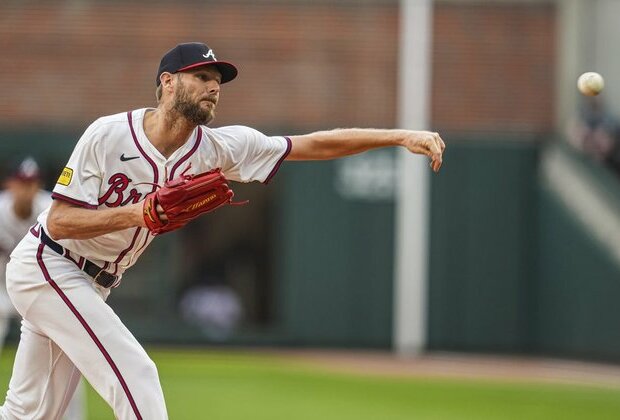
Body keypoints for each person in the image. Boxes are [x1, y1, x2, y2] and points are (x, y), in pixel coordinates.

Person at [0, 42, 445, 419]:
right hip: (49, 264)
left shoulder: (220, 149)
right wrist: (139, 213)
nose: (214, 86)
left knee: (28, 413)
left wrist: (397, 136)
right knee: (136, 376)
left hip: (93, 283)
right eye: (201, 76)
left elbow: (310, 144)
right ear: (168, 82)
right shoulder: (108, 134)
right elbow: (59, 221)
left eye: (218, 79)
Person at [0, 158, 85, 420]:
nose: (26, 189)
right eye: (22, 183)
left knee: (70, 347)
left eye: (32, 184)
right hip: (2, 291)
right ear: (10, 184)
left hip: (41, 289)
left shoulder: (50, 209)